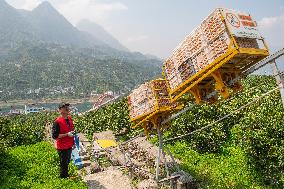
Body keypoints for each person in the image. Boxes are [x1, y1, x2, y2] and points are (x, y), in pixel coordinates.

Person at [52, 103, 75, 179]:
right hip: (62, 147)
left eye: (67, 107)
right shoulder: (57, 122)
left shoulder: (69, 118)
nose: (67, 108)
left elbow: (71, 131)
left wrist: (73, 142)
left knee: (67, 162)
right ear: (61, 110)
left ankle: (66, 176)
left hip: (69, 145)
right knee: (63, 164)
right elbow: (55, 136)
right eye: (65, 107)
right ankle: (63, 178)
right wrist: (67, 134)